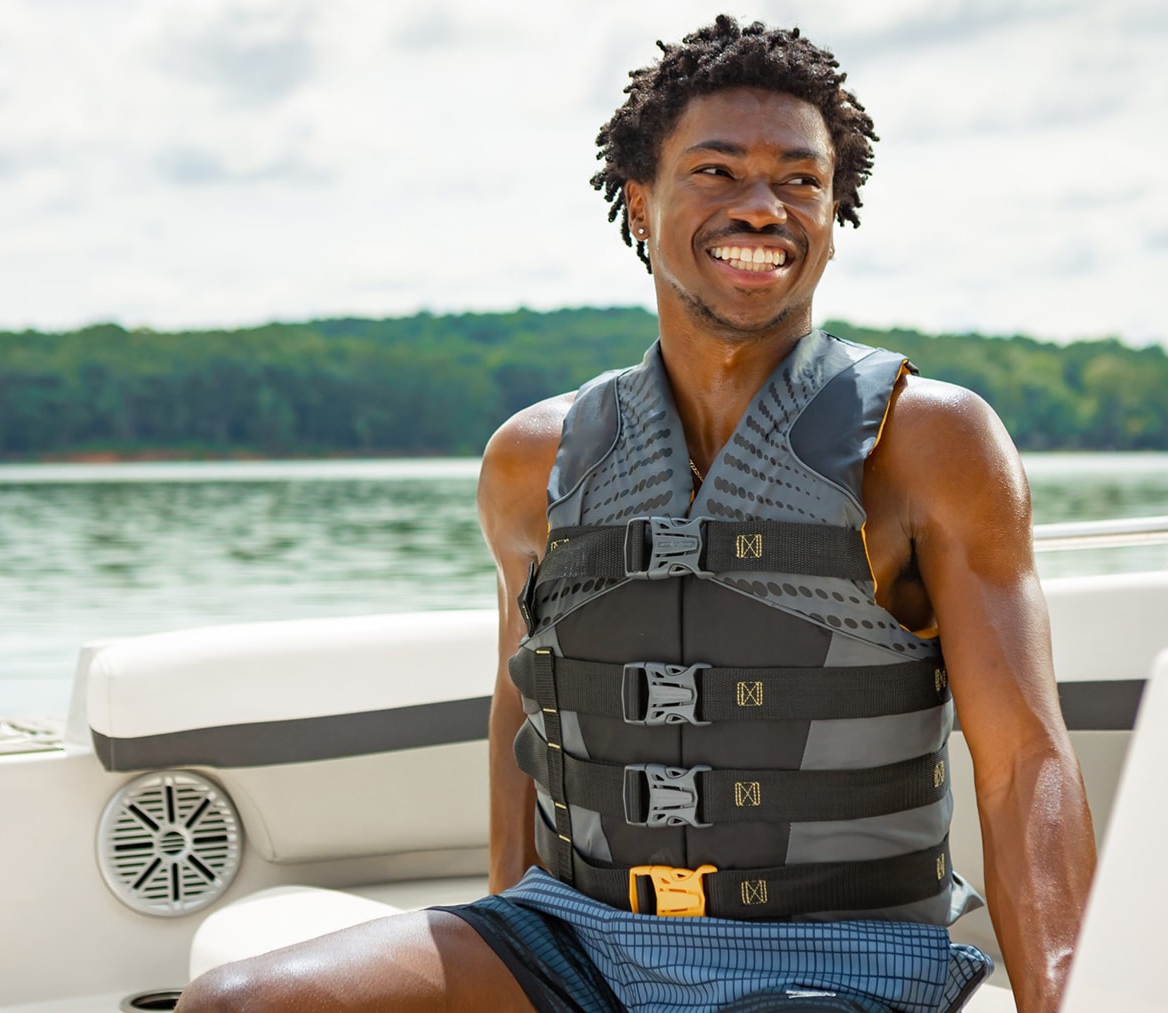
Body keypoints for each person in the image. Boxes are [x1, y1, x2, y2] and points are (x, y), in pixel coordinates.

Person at [177, 16, 1094, 1013]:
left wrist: (1063, 995)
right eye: (716, 171)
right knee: (237, 1003)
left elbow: (1023, 766)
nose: (762, 207)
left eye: (799, 179)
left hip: (844, 955)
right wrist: (510, 922)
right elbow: (522, 717)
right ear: (641, 201)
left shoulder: (933, 441)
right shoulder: (533, 458)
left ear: (836, 210)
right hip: (573, 936)